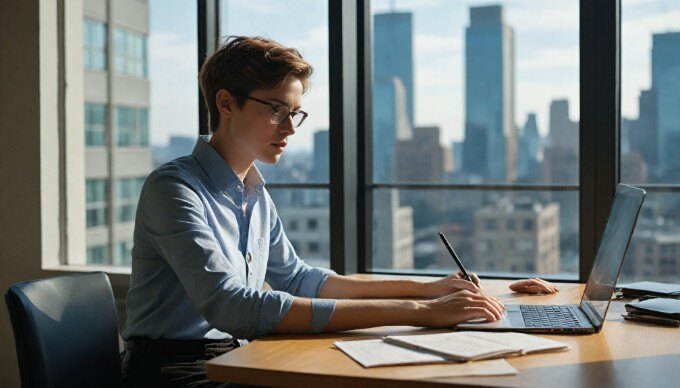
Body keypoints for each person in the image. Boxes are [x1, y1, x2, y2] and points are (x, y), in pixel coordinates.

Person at [120, 35, 558, 387]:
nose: (290, 128)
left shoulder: (252, 190)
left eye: (295, 113)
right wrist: (420, 313)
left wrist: (429, 290)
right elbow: (232, 307)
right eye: (276, 110)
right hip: (171, 370)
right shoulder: (175, 189)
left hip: (239, 353)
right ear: (225, 103)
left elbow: (298, 278)